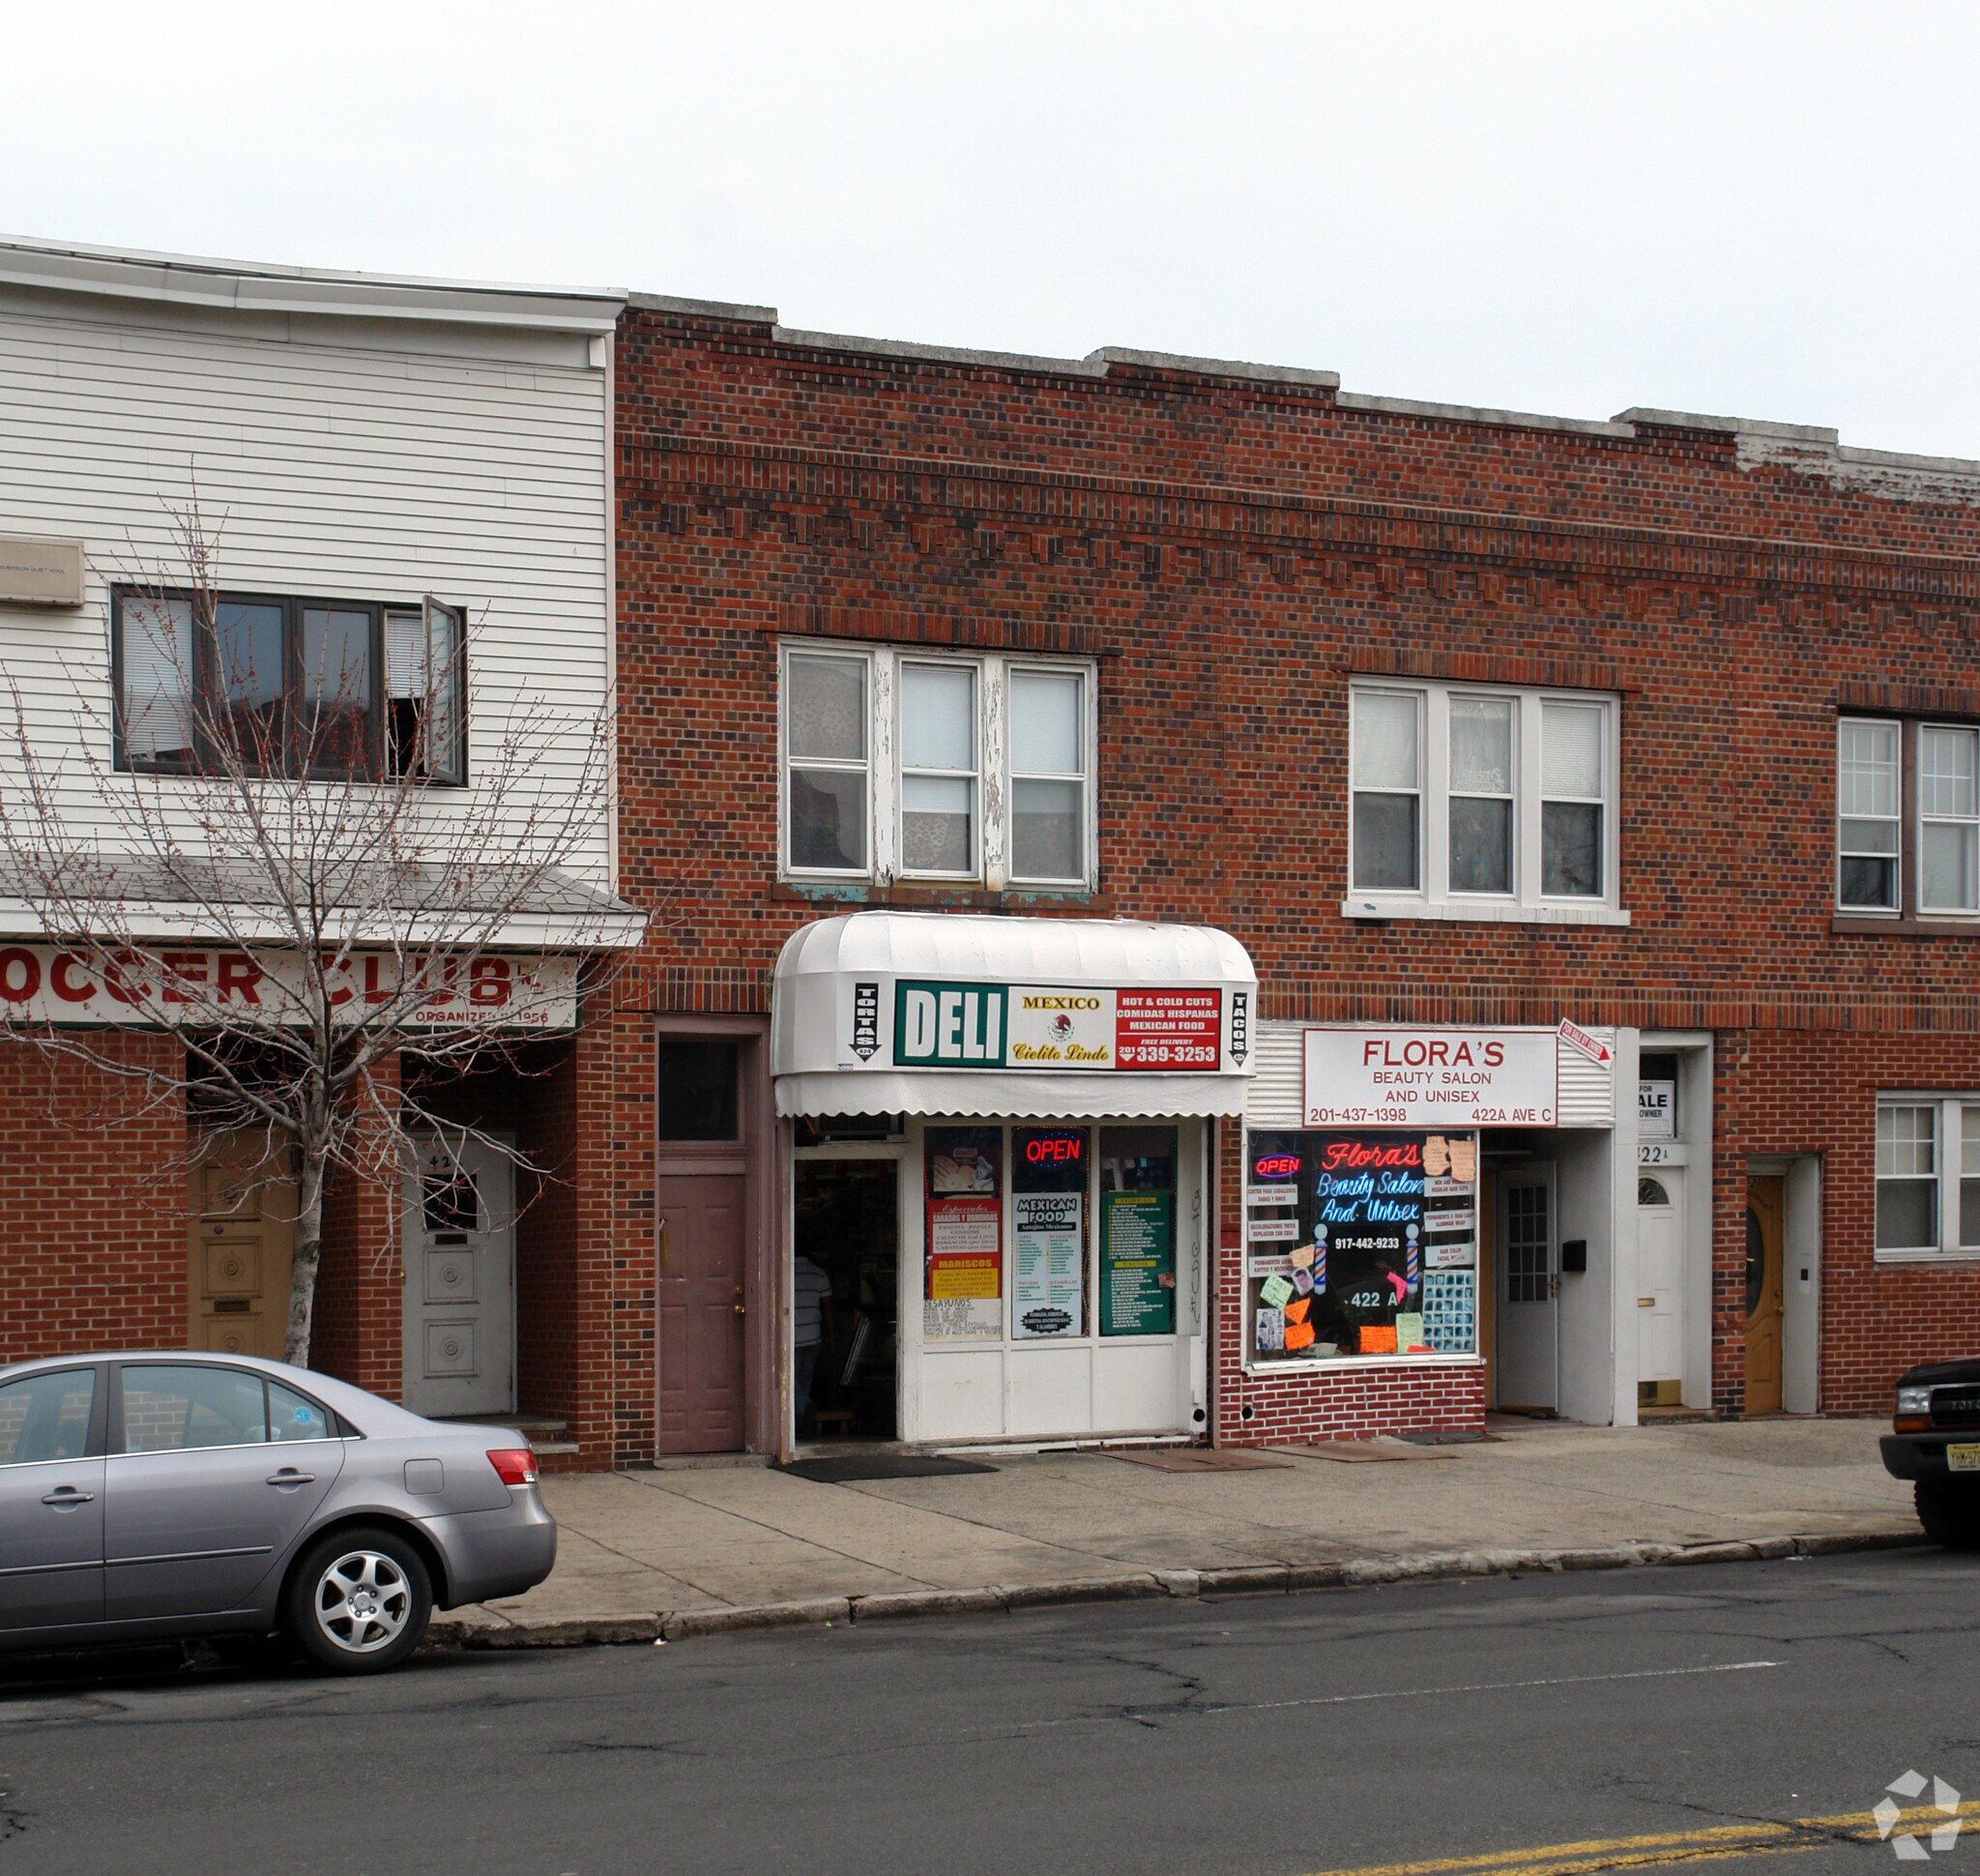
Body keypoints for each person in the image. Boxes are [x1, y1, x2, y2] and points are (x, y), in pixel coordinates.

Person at [792, 1252, 835, 1434]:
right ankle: (804, 1411)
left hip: (791, 1338)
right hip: (813, 1336)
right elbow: (828, 1309)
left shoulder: (785, 1272)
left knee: (792, 1382)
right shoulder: (819, 1274)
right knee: (805, 1380)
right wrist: (831, 1337)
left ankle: (800, 1418)